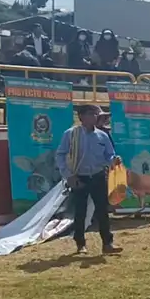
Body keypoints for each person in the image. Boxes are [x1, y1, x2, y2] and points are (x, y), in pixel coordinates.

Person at [54, 105, 123, 255]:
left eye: (96, 114)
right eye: (91, 114)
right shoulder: (71, 134)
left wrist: (114, 160)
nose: (95, 117)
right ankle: (80, 244)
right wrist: (68, 175)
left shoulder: (102, 135)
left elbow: (109, 155)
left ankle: (107, 244)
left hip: (98, 176)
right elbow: (60, 155)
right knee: (80, 211)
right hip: (79, 177)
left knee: (102, 211)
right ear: (82, 117)